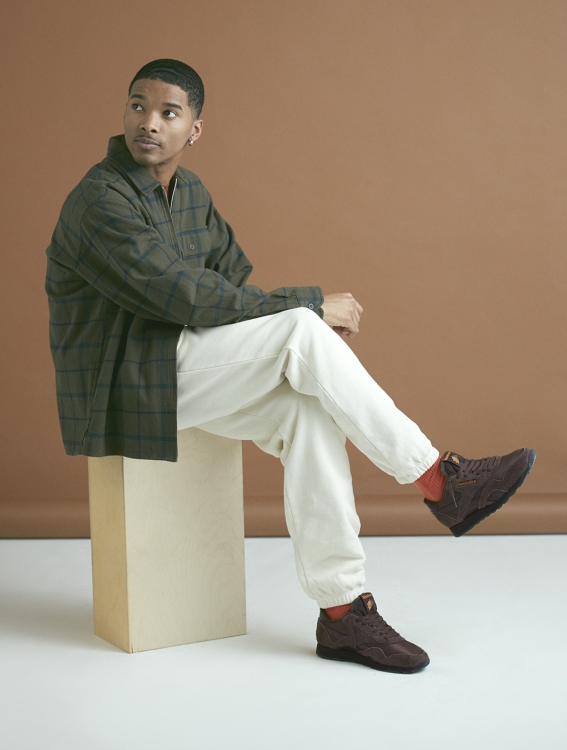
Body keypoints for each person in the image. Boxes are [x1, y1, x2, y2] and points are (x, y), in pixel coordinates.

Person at [45, 59, 536, 674]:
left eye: (169, 112)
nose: (149, 123)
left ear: (194, 128)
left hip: (179, 368)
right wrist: (307, 307)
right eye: (138, 106)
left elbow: (230, 281)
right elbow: (187, 296)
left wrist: (274, 320)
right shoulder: (100, 199)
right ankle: (440, 481)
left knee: (308, 410)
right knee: (301, 329)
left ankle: (343, 613)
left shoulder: (189, 192)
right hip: (122, 385)